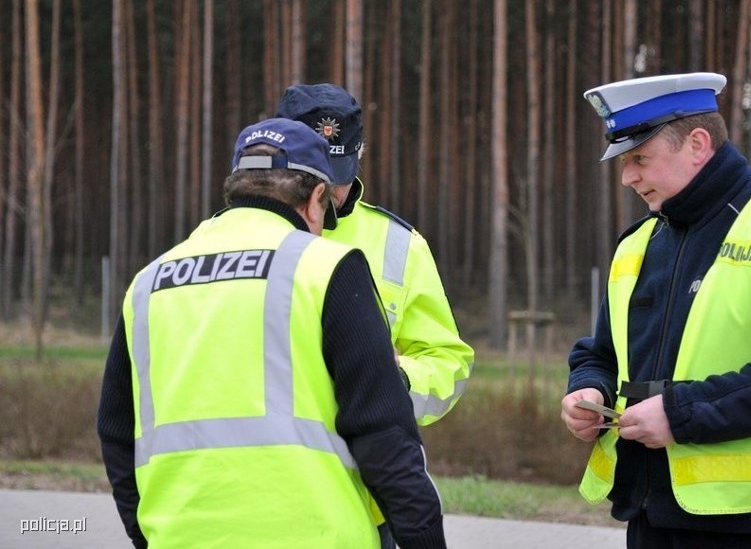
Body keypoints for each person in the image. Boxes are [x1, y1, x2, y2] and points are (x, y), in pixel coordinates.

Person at [97, 117, 446, 548]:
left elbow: (116, 433)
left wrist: (147, 535)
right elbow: (384, 438)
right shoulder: (328, 269)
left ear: (237, 188)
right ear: (317, 196)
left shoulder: (148, 283)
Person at [560, 72, 751, 549]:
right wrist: (585, 390)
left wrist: (680, 414)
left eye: (639, 158)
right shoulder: (639, 242)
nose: (627, 176)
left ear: (697, 144)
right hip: (651, 514)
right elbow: (600, 353)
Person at [275, 83, 474, 549]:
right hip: (262, 491)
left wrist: (395, 379)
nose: (335, 191)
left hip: (361, 504)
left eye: (342, 171)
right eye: (320, 174)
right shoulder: (236, 237)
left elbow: (448, 362)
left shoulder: (401, 245)